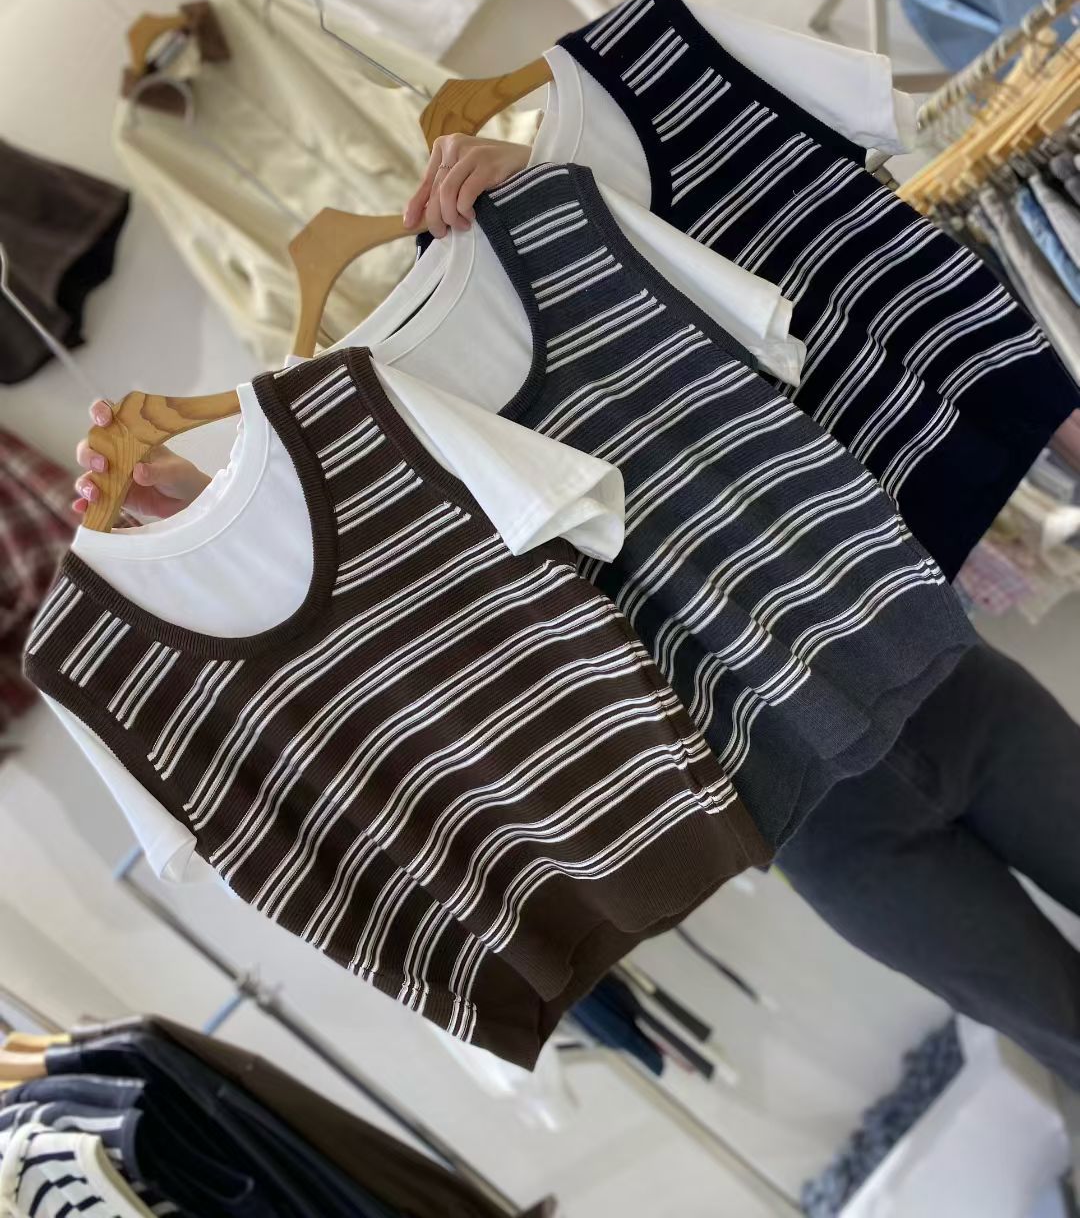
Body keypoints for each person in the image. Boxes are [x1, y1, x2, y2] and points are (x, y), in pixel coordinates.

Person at [70, 135, 1080, 1091]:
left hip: (936, 678)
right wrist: (210, 521)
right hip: (808, 818)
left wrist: (552, 178)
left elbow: (753, 283)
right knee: (1059, 1029)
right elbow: (348, 637)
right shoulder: (349, 461)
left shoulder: (555, 253)